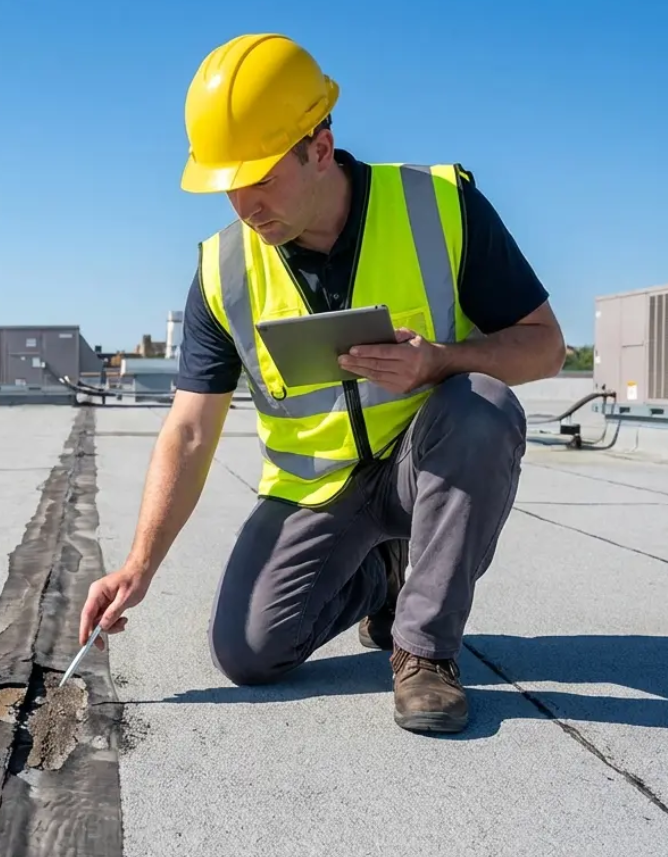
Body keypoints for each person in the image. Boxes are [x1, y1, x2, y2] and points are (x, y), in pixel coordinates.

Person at [77, 33, 566, 733]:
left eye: (261, 177)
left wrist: (441, 361)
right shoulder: (223, 272)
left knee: (484, 406)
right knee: (247, 653)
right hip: (317, 490)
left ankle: (423, 649)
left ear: (319, 146)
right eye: (228, 184)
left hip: (423, 464)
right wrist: (139, 564)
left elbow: (545, 348)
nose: (244, 205)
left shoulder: (441, 208)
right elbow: (188, 429)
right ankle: (381, 575)